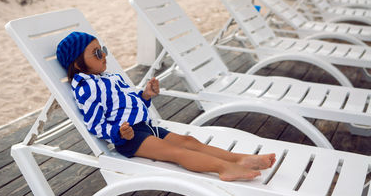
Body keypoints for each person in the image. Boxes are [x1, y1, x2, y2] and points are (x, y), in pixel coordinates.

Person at [56, 31, 276, 181]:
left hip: (145, 126)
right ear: (77, 63)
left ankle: (238, 159)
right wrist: (118, 132)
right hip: (130, 139)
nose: (103, 55)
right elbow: (94, 124)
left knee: (189, 141)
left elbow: (128, 103)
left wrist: (145, 95)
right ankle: (224, 168)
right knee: (176, 152)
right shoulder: (86, 88)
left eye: (102, 49)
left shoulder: (109, 77)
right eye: (96, 53)